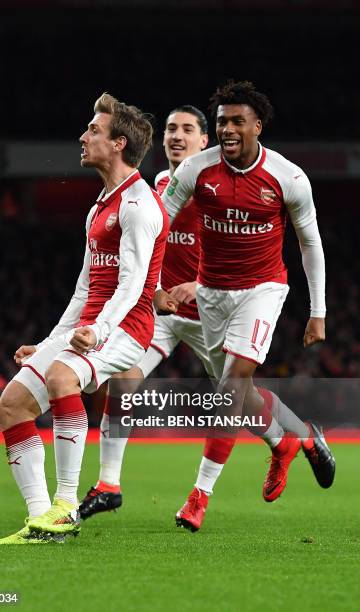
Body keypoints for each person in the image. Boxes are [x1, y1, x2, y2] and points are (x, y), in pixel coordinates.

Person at [79, 103, 334, 531]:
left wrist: (197, 285)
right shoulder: (162, 189)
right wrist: (153, 290)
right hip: (164, 310)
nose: (177, 136)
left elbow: (248, 251)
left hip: (212, 306)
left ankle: (291, 440)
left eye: (188, 130)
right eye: (171, 130)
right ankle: (108, 484)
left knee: (237, 398)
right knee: (122, 382)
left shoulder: (221, 183)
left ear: (204, 141)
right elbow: (149, 248)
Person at [0, 93, 169, 545]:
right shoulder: (98, 208)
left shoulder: (139, 205)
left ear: (119, 143)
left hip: (126, 327)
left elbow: (131, 287)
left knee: (61, 377)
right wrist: (53, 339)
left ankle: (67, 504)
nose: (83, 135)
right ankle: (42, 524)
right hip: (86, 327)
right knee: (10, 406)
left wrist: (99, 330)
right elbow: (85, 288)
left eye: (94, 129)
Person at [161, 81, 335, 531]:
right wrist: (151, 289)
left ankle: (199, 497)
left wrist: (318, 311)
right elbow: (156, 228)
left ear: (257, 126)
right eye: (221, 122)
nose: (227, 129)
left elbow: (310, 243)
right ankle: (286, 443)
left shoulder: (287, 177)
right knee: (239, 394)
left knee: (232, 385)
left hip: (262, 289)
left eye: (237, 121)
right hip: (211, 295)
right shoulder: (195, 171)